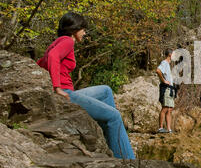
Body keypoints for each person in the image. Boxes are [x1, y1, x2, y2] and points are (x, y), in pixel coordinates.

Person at [36, 12, 135, 159]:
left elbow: (40, 63)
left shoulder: (55, 43)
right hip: (66, 93)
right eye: (82, 29)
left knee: (106, 91)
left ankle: (110, 141)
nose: (84, 32)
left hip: (67, 91)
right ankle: (127, 162)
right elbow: (52, 57)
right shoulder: (67, 41)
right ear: (74, 29)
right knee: (114, 116)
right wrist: (56, 88)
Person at [156, 48, 177, 134]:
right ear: (170, 55)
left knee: (170, 109)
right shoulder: (164, 63)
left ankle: (169, 129)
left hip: (170, 89)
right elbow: (158, 70)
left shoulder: (168, 65)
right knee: (165, 108)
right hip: (166, 88)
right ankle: (160, 128)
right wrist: (164, 81)